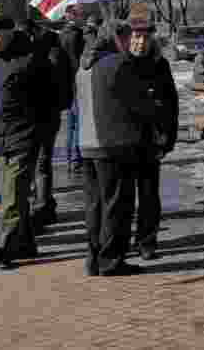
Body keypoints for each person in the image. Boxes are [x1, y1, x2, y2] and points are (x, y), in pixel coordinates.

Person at [0, 7, 53, 269]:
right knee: (12, 196)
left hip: (24, 137)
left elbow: (50, 99)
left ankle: (4, 247)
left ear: (10, 33)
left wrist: (41, 133)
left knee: (12, 197)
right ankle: (26, 244)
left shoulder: (31, 59)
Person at [78, 18, 146, 276]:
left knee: (95, 205)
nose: (131, 43)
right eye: (129, 38)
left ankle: (94, 258)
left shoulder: (84, 66)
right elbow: (137, 102)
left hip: (87, 143)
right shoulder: (118, 64)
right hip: (114, 143)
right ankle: (111, 260)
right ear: (119, 38)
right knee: (116, 205)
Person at [125, 7, 178, 261]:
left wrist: (168, 137)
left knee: (148, 194)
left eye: (145, 37)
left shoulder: (160, 65)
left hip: (150, 140)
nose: (140, 42)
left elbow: (171, 104)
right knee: (124, 195)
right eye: (136, 37)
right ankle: (122, 238)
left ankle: (147, 240)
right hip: (123, 139)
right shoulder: (120, 63)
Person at [31, 28, 72, 233]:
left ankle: (42, 204)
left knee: (39, 163)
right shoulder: (61, 57)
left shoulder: (37, 60)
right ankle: (45, 202)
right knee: (44, 161)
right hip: (52, 115)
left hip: (38, 115)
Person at [59, 16, 86, 169]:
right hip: (77, 80)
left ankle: (69, 156)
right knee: (78, 122)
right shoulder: (78, 36)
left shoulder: (61, 35)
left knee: (70, 124)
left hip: (66, 82)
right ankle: (76, 157)